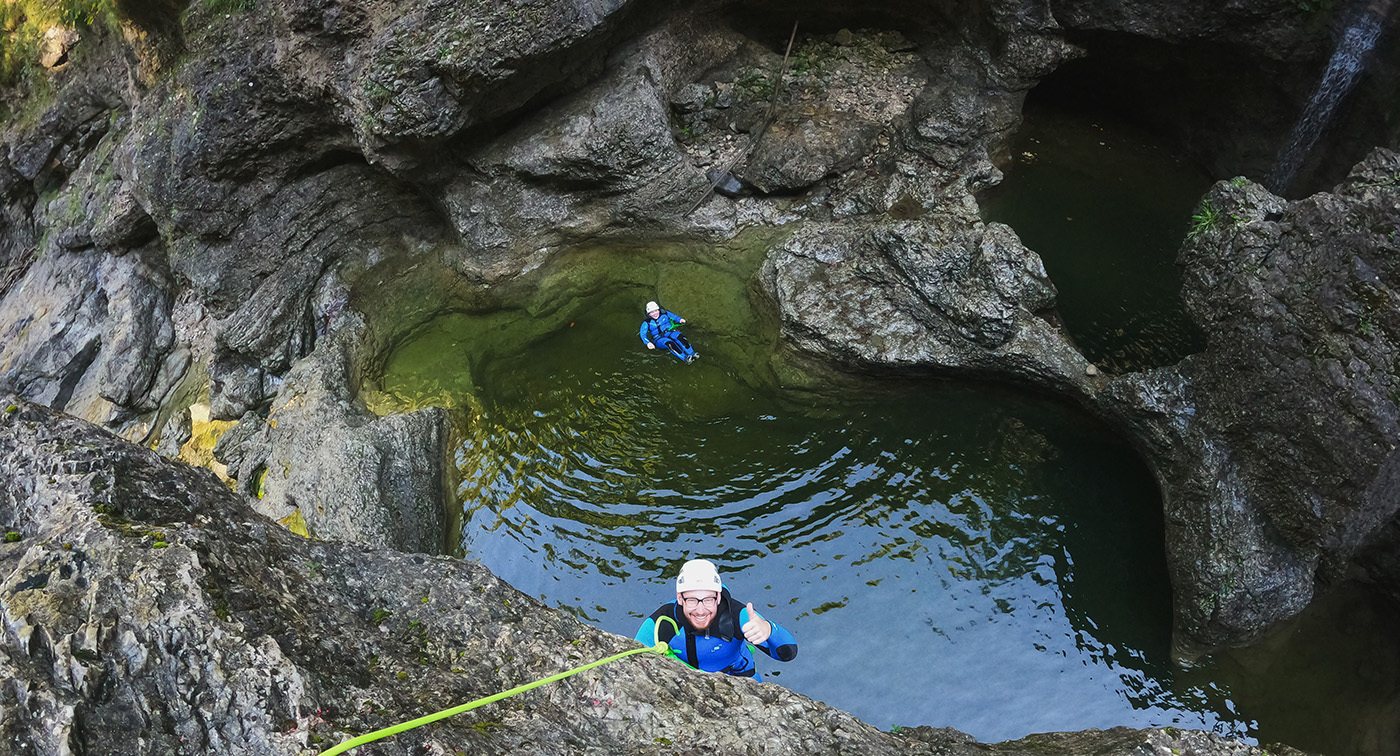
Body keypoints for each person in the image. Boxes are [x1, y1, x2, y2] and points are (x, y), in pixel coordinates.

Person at [634, 559, 797, 680]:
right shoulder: (663, 622)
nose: (700, 611)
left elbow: (787, 653)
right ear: (680, 598)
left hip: (740, 679)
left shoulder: (738, 616)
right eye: (692, 600)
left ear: (718, 597)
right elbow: (634, 661)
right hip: (685, 681)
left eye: (708, 600)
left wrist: (769, 629)